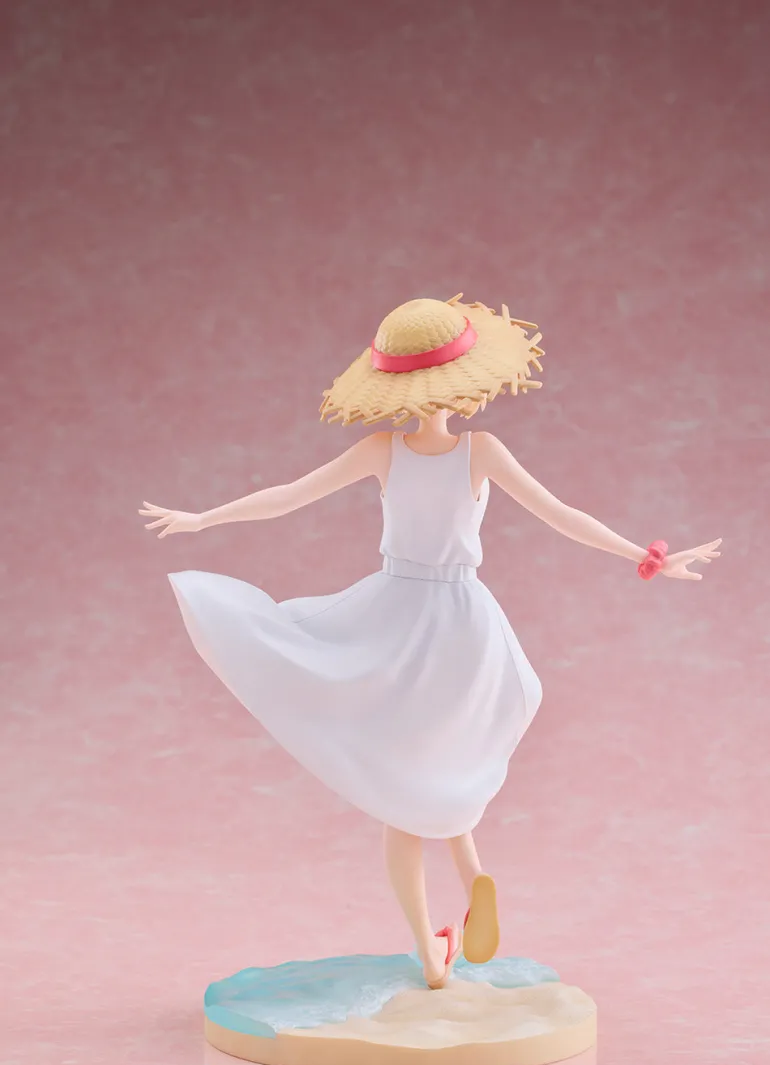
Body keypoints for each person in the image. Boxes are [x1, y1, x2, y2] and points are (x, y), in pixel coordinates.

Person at [139, 294, 721, 989]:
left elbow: (290, 494)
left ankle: (428, 952)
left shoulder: (382, 450)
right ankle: (473, 879)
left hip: (395, 613)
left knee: (401, 785)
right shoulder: (482, 451)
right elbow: (560, 513)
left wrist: (203, 518)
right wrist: (646, 557)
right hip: (465, 621)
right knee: (440, 762)